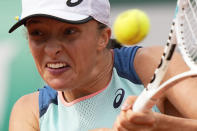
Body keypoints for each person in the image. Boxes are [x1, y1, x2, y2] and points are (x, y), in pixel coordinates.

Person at [8, 0, 197, 130]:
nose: (51, 49)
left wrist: (161, 127)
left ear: (103, 38)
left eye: (69, 31)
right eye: (38, 33)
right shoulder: (29, 112)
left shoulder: (151, 64)